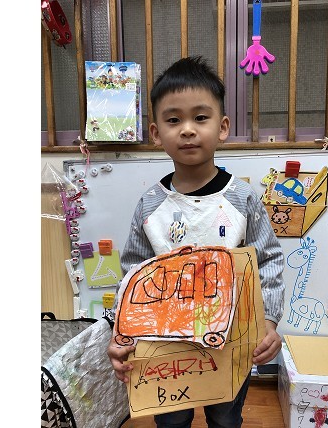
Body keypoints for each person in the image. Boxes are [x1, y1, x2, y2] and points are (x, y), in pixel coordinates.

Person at [107, 56, 285, 428]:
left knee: (225, 420)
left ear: (222, 127)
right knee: (171, 423)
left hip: (231, 341)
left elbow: (267, 261)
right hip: (165, 346)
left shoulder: (242, 199)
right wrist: (123, 333)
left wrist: (267, 323)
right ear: (156, 133)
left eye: (200, 118)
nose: (187, 130)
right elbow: (133, 274)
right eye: (174, 120)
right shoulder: (149, 207)